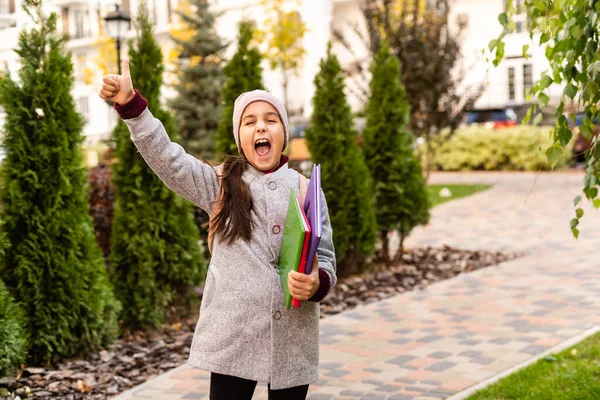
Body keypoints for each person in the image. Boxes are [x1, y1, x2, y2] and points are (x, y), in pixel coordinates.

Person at [99, 59, 337, 400]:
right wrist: (133, 108)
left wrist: (316, 283)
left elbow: (326, 256)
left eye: (271, 120)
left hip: (292, 339)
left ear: (284, 132)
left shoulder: (305, 189)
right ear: (239, 137)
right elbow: (169, 159)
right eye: (249, 122)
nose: (261, 128)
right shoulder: (221, 184)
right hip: (233, 338)